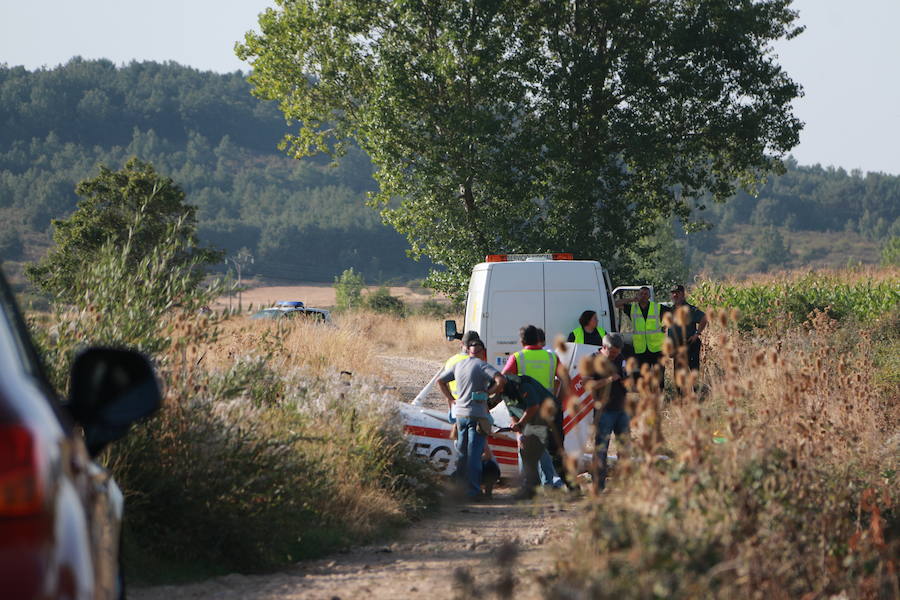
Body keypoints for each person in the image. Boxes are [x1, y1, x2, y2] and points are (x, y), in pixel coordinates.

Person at [437, 338, 505, 500]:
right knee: (474, 455)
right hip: (478, 415)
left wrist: (452, 398)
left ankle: (459, 490)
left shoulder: (458, 365)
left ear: (468, 350)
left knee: (462, 454)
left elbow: (440, 381)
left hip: (460, 415)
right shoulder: (482, 365)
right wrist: (489, 393)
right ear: (483, 352)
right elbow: (501, 380)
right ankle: (473, 491)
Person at [496, 372, 556, 499]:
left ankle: (548, 486)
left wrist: (520, 423)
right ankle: (528, 487)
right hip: (527, 419)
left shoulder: (523, 385)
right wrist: (518, 432)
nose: (498, 391)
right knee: (522, 449)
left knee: (540, 451)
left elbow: (533, 407)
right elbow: (512, 412)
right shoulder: (504, 393)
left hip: (541, 416)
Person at [586, 333, 633, 492]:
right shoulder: (592, 360)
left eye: (618, 352)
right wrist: (608, 380)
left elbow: (629, 381)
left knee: (625, 447)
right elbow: (588, 385)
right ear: (604, 347)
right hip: (603, 412)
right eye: (612, 352)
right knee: (601, 449)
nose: (615, 355)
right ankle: (598, 485)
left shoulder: (622, 358)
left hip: (622, 409)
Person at [614, 286, 670, 388]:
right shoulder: (632, 308)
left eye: (645, 294)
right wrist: (631, 299)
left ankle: (661, 396)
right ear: (638, 295)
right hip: (641, 348)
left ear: (649, 296)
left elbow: (674, 313)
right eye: (641, 294)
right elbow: (616, 304)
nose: (643, 296)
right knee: (644, 375)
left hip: (657, 347)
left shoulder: (657, 307)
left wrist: (666, 325)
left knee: (660, 373)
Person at [667, 284, 708, 373]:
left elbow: (704, 318)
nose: (675, 295)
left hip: (690, 344)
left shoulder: (690, 309)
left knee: (693, 372)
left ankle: (695, 387)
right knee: (678, 374)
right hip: (676, 345)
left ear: (683, 294)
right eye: (673, 293)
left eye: (677, 292)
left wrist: (697, 333)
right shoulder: (671, 310)